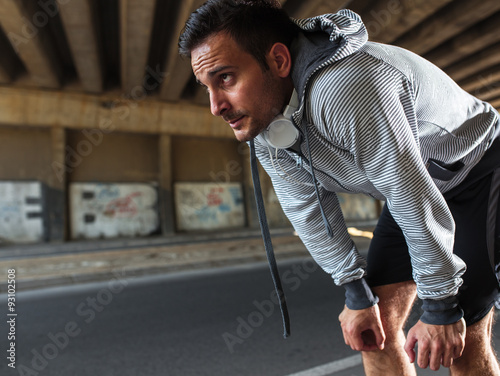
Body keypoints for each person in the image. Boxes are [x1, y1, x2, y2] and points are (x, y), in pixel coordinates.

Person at [178, 0, 500, 374]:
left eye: (226, 78)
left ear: (279, 61)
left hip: (482, 171)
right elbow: (307, 208)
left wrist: (441, 305)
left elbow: (409, 193)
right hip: (416, 191)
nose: (216, 106)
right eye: (207, 87)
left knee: (456, 342)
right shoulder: (265, 125)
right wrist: (355, 290)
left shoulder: (346, 89)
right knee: (372, 330)